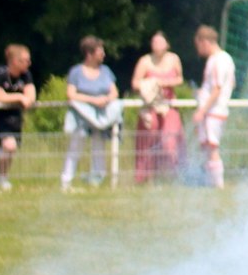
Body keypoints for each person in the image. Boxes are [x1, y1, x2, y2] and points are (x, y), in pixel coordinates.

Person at [62, 35, 123, 190]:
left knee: (99, 146)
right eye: (99, 51)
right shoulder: (76, 72)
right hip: (82, 115)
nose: (103, 54)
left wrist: (105, 99)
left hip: (101, 115)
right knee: (76, 146)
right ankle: (66, 180)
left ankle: (97, 178)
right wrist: (92, 100)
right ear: (89, 54)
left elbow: (114, 92)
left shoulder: (105, 71)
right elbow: (71, 94)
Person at [131, 31, 185, 183]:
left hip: (169, 106)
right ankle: (145, 178)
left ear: (167, 44)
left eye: (159, 42)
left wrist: (163, 83)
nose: (156, 45)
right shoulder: (145, 61)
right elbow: (135, 82)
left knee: (170, 140)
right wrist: (149, 85)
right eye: (154, 42)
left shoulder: (174, 59)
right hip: (151, 107)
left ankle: (172, 176)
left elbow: (180, 78)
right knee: (149, 142)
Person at [0, 44, 37, 191]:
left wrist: (22, 98)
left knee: (10, 148)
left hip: (15, 116)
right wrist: (19, 97)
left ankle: (2, 178)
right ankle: (1, 178)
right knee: (9, 145)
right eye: (25, 60)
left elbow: (31, 96)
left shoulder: (26, 75)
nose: (29, 64)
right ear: (14, 61)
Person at [192, 25, 235, 189]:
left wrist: (202, 111)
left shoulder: (218, 60)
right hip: (215, 110)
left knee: (212, 147)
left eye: (198, 44)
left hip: (213, 111)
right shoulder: (225, 59)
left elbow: (217, 88)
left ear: (204, 42)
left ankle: (217, 184)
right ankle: (211, 182)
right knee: (207, 147)